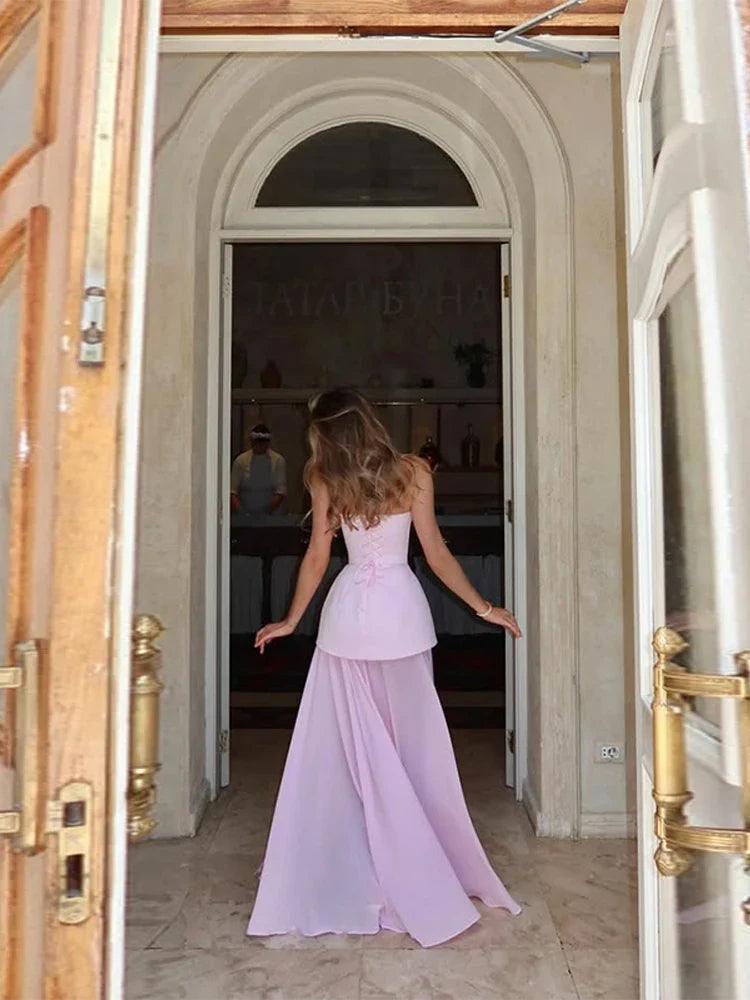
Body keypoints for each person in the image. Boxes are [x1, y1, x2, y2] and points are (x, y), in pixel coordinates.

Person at [246, 389, 522, 948]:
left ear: (326, 434)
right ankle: (409, 863)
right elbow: (435, 553)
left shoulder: (324, 476)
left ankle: (366, 860)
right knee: (411, 748)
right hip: (401, 616)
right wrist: (485, 608)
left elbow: (318, 557)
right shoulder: (414, 471)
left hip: (349, 620)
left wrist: (292, 620)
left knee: (349, 752)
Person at [230, 423, 287, 516]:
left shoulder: (278, 461)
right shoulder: (240, 461)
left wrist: (266, 512)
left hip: (272, 516)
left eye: (263, 443)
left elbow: (280, 492)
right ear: (252, 442)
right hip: (245, 516)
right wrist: (242, 513)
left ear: (268, 443)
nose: (260, 445)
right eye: (257, 442)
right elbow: (233, 492)